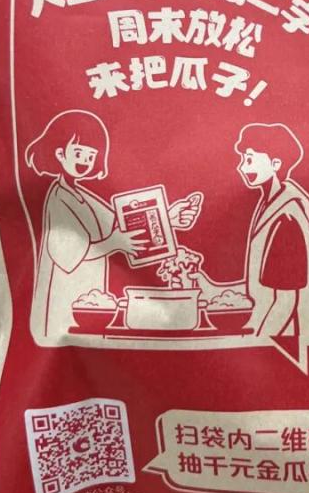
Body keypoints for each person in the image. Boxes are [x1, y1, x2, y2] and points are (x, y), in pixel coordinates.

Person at [25, 110, 200, 342]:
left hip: (91, 297)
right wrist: (114, 243)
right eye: (78, 153)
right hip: (65, 299)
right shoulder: (58, 197)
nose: (84, 161)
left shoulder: (84, 195)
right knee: (75, 337)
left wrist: (169, 219)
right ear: (59, 153)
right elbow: (66, 255)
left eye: (90, 156)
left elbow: (122, 225)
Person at [226, 122, 309, 342]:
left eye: (249, 159)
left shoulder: (287, 218)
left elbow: (285, 303)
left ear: (275, 163)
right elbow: (264, 285)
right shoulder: (270, 205)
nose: (242, 168)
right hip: (275, 332)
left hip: (290, 339)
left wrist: (255, 344)